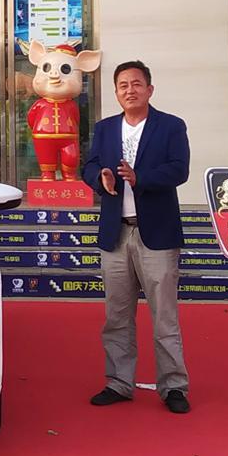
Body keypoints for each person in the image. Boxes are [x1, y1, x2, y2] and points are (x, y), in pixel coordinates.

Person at [82, 60, 193, 413]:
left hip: (156, 232)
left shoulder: (170, 126)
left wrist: (139, 177)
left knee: (164, 316)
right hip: (116, 233)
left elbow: (179, 170)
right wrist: (100, 178)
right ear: (116, 92)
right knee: (116, 315)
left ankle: (173, 386)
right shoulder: (105, 129)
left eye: (136, 84)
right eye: (123, 85)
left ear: (149, 89)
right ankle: (118, 382)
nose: (130, 90)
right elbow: (89, 165)